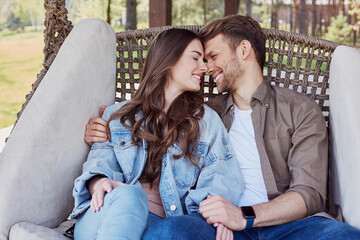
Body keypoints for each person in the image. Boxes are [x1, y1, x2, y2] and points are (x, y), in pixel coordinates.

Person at [85, 15, 360, 240]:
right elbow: (148, 125)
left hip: (290, 227)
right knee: (171, 232)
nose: (207, 67)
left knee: (345, 237)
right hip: (218, 226)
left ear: (243, 50)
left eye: (213, 56)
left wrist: (243, 216)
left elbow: (309, 194)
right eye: (201, 59)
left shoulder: (299, 109)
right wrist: (102, 130)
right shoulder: (201, 115)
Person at [70, 28, 243, 240]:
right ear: (169, 58)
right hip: (105, 216)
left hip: (161, 227)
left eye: (204, 60)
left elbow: (222, 173)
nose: (203, 67)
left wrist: (219, 213)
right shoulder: (118, 115)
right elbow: (99, 160)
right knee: (130, 195)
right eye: (196, 58)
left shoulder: (205, 121)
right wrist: (98, 182)